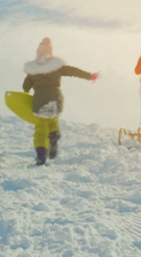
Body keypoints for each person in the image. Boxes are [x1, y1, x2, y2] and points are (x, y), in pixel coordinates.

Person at [22, 37, 99, 165]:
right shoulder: (56, 66)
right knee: (53, 122)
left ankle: (41, 156)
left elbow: (25, 88)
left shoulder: (32, 69)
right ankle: (54, 137)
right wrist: (89, 76)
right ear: (50, 51)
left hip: (39, 102)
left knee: (40, 130)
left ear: (38, 52)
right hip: (55, 99)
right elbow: (73, 71)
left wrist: (30, 77)